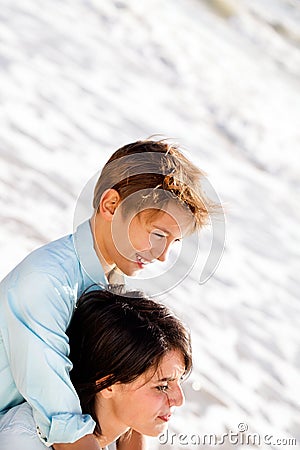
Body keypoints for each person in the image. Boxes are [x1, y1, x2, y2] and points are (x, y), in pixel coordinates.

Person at [0, 138, 215, 450]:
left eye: (173, 242)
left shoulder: (109, 283)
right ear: (111, 205)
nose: (162, 256)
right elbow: (64, 426)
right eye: (157, 235)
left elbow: (124, 403)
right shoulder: (46, 284)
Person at [0, 288, 192, 450]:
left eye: (179, 381)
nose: (179, 400)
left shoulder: (120, 432)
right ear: (108, 385)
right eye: (162, 386)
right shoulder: (23, 439)